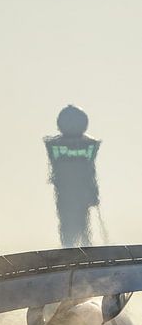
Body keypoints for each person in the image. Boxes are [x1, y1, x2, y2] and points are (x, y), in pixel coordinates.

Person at [43, 105, 101, 247]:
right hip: (68, 191)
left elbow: (90, 170)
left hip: (73, 192)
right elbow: (90, 171)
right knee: (70, 225)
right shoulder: (58, 147)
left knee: (78, 224)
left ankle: (78, 250)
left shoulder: (86, 146)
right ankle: (72, 250)